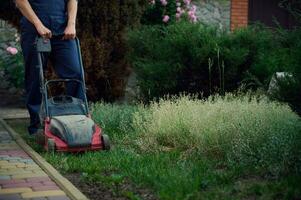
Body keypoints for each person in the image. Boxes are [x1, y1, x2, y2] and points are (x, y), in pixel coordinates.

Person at [15, 0, 83, 136]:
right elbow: (20, 2)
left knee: (75, 73)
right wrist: (38, 25)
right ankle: (37, 126)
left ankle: (78, 120)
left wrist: (71, 24)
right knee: (35, 78)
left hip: (63, 32)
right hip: (34, 32)